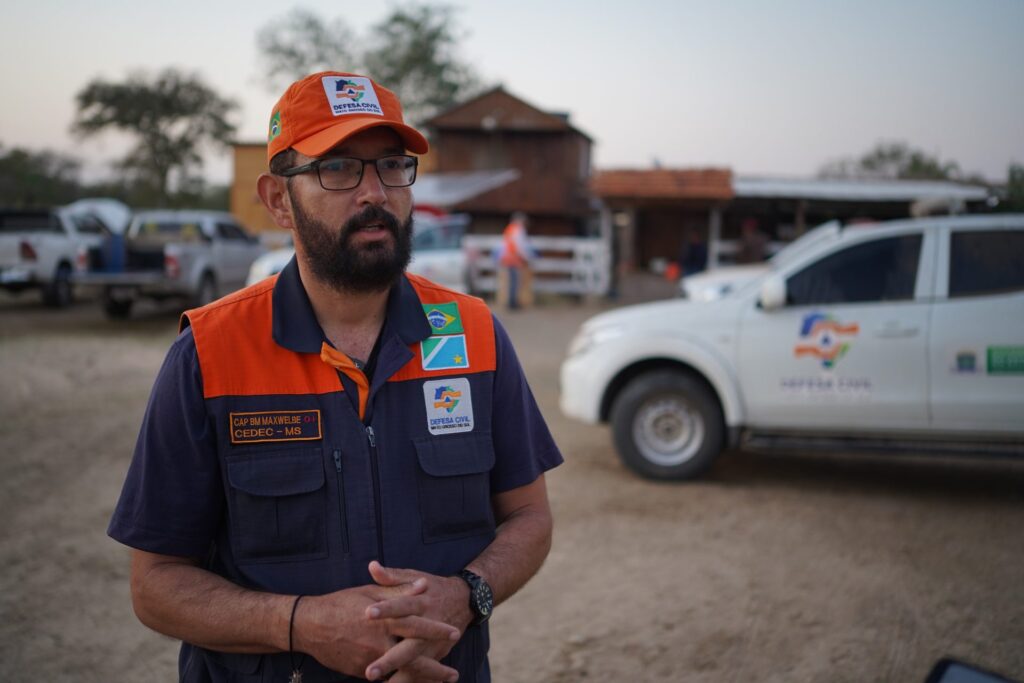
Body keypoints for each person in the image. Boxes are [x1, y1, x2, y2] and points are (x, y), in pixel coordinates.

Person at [108, 71, 563, 683]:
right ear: (277, 200)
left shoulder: (472, 333)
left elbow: (529, 517)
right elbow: (156, 585)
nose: (375, 192)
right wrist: (300, 625)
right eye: (340, 168)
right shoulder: (210, 354)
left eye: (393, 166)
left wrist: (467, 594)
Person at [493, 212, 536, 310]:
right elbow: (520, 246)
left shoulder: (510, 229)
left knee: (511, 282)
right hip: (514, 259)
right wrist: (527, 258)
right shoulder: (518, 230)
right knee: (514, 282)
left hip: (508, 258)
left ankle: (511, 302)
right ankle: (513, 303)